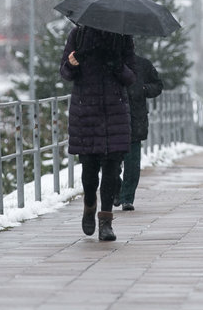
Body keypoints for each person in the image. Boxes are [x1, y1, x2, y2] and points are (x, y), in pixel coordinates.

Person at [60, 24, 136, 241]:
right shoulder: (79, 35)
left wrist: (117, 66)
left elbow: (131, 77)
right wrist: (73, 63)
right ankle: (89, 206)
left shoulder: (122, 37)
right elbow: (65, 71)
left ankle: (106, 222)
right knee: (90, 173)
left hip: (115, 114)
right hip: (86, 113)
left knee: (112, 172)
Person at [115, 53, 164, 211]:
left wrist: (143, 89)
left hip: (135, 120)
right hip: (113, 120)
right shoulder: (108, 63)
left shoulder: (143, 64)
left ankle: (127, 198)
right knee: (110, 162)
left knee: (132, 163)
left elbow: (157, 85)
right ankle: (117, 190)